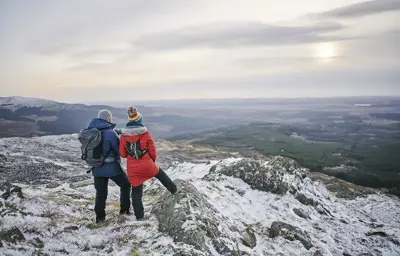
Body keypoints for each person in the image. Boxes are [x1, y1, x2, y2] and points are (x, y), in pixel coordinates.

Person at [119, 106, 177, 220]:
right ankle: (174, 190)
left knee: (136, 191)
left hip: (132, 167)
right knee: (160, 174)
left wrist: (131, 156)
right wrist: (151, 162)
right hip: (146, 163)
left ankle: (139, 217)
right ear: (139, 120)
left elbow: (122, 154)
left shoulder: (123, 137)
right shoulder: (145, 134)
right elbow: (152, 151)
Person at [88, 109, 131, 223]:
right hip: (112, 168)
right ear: (108, 119)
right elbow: (119, 151)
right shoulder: (111, 133)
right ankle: (124, 211)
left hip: (96, 167)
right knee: (126, 185)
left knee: (101, 194)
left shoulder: (91, 132)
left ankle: (100, 219)